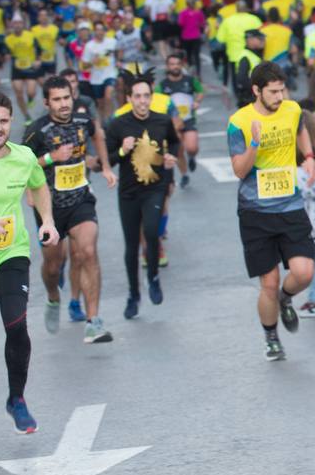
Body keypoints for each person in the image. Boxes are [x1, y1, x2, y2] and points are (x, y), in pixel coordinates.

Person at [0, 90, 58, 439]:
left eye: (4, 121)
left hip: (11, 254)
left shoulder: (24, 157)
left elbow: (39, 188)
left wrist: (47, 220)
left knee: (17, 326)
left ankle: (17, 399)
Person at [227, 62, 315, 362]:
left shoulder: (292, 110)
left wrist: (308, 157)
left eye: (282, 90)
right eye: (273, 91)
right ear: (257, 91)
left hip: (290, 206)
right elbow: (240, 170)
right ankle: (271, 336)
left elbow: (301, 130)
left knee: (304, 272)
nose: (280, 97)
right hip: (255, 212)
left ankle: (286, 298)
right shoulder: (239, 122)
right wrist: (254, 142)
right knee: (268, 282)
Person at [22, 76, 115, 343]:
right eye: (57, 99)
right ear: (46, 102)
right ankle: (53, 297)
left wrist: (105, 167)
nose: (64, 104)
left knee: (87, 251)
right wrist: (51, 158)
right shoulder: (37, 129)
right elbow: (22, 163)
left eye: (66, 98)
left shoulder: (83, 121)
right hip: (49, 207)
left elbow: (98, 134)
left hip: (80, 200)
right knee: (53, 266)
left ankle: (93, 321)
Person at [104, 75, 180, 320]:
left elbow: (175, 143)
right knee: (131, 246)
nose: (142, 101)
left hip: (155, 188)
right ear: (129, 99)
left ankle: (153, 277)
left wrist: (172, 158)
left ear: (151, 97)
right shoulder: (118, 124)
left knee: (151, 230)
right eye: (137, 96)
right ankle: (133, 294)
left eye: (146, 96)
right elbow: (108, 159)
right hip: (128, 192)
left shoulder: (162, 120)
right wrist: (121, 150)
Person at [156, 52, 203, 186]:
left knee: (192, 147)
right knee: (179, 150)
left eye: (177, 64)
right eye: (172, 64)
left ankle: (192, 156)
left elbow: (200, 91)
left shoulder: (189, 80)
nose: (175, 67)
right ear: (167, 66)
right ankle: (184, 175)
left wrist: (197, 102)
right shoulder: (162, 85)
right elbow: (157, 102)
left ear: (181, 65)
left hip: (188, 119)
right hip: (172, 123)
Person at [80, 20, 119, 123]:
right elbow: (84, 65)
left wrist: (119, 61)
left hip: (110, 73)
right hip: (96, 78)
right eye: (97, 30)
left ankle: (110, 120)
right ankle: (103, 121)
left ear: (105, 31)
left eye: (102, 29)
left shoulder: (112, 42)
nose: (100, 32)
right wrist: (92, 62)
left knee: (108, 96)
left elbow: (119, 51)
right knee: (100, 103)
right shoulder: (89, 46)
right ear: (94, 32)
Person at [4, 16, 39, 121]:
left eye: (20, 23)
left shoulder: (31, 36)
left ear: (23, 24)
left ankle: (30, 99)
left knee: (31, 92)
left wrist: (38, 60)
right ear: (12, 25)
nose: (17, 25)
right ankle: (26, 116)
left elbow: (39, 49)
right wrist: (6, 55)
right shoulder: (8, 39)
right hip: (17, 69)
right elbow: (5, 51)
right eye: (15, 23)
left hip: (30, 67)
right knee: (19, 93)